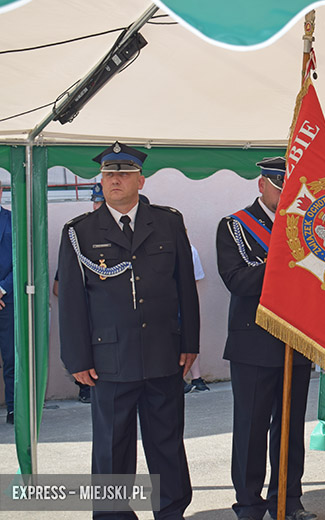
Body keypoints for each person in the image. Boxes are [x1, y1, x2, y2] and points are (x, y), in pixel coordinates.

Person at [58, 141, 200, 519]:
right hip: (109, 358)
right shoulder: (80, 231)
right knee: (111, 447)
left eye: (123, 173)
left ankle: (170, 511)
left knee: (166, 443)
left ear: (141, 178)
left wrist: (190, 343)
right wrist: (76, 357)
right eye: (108, 174)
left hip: (162, 353)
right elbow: (72, 302)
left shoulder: (167, 221)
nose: (115, 180)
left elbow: (184, 285)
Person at [216, 157, 316, 520]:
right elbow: (237, 281)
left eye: (289, 187)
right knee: (252, 428)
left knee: (290, 428)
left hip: (297, 340)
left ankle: (288, 500)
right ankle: (249, 504)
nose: (283, 193)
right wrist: (283, 261)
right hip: (253, 343)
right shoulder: (234, 226)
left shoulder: (307, 229)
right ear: (262, 186)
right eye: (277, 185)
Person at [54, 183, 106, 405]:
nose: (96, 207)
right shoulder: (79, 234)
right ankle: (84, 386)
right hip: (89, 313)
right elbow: (59, 286)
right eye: (95, 202)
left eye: (100, 202)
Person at [183, 244, 209, 393]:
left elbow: (195, 278)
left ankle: (196, 377)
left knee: (190, 338)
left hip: (183, 301)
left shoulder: (190, 249)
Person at [0, 185, 13, 424]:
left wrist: (2, 289)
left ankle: (14, 409)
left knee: (13, 357)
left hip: (7, 300)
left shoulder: (14, 221)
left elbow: (23, 257)